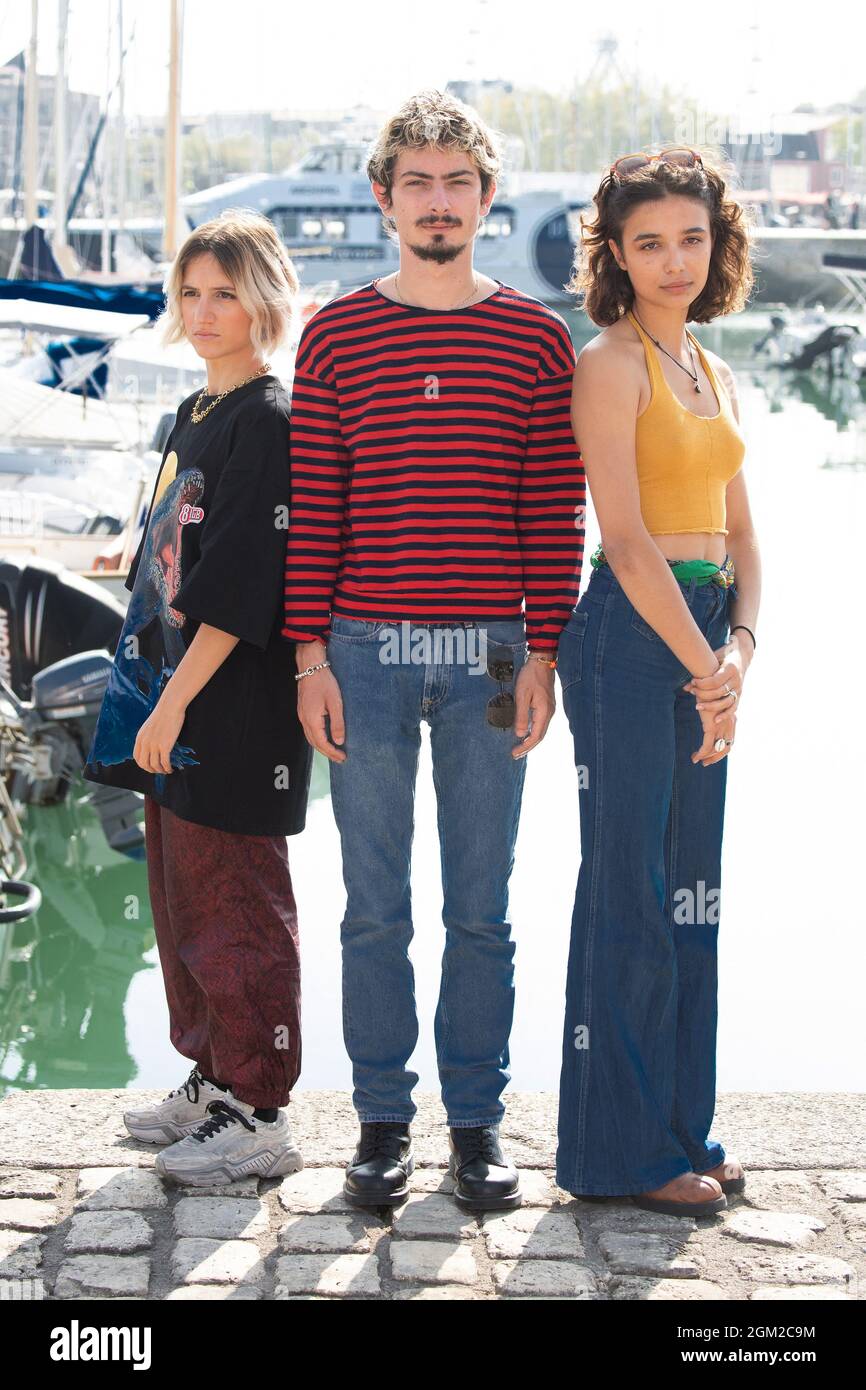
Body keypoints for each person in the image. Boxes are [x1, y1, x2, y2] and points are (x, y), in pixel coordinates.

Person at [282, 89, 585, 1211]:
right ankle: (378, 1122)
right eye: (417, 180)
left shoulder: (535, 337)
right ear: (383, 197)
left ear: (487, 199)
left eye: (458, 181)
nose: (439, 200)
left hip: (494, 654)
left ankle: (474, 1123)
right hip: (358, 647)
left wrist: (542, 652)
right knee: (371, 904)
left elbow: (553, 513)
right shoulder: (335, 333)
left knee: (480, 905)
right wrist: (307, 655)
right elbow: (315, 506)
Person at [84, 210, 313, 1186]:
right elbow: (181, 543)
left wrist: (174, 703)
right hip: (165, 694)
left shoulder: (268, 418)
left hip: (226, 708)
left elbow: (246, 580)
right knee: (181, 904)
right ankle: (212, 1076)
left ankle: (260, 1106)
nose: (207, 309)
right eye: (192, 292)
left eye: (227, 291)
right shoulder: (194, 412)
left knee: (239, 905)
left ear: (265, 295)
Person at [556, 146, 761, 1216]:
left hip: (702, 644)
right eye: (649, 243)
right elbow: (628, 544)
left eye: (691, 237)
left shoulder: (710, 368)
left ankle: (683, 1127)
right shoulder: (609, 363)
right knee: (627, 897)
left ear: (715, 243)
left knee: (693, 898)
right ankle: (610, 1155)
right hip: (632, 647)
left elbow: (740, 534)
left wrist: (739, 651)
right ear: (617, 257)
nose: (674, 259)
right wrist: (701, 668)